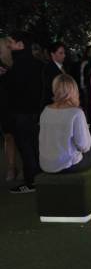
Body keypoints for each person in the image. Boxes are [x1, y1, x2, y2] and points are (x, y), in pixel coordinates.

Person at [7, 31, 43, 194]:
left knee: (26, 147)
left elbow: (12, 90)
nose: (8, 45)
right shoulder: (38, 64)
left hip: (21, 113)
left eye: (11, 42)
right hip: (36, 112)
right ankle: (40, 178)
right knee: (35, 146)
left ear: (21, 44)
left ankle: (32, 181)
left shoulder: (15, 66)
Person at [39, 74, 91, 173]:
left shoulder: (46, 110)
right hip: (66, 166)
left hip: (45, 164)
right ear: (73, 90)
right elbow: (84, 146)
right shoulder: (76, 113)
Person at [0, 37, 18, 181]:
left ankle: (15, 168)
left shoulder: (18, 62)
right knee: (9, 136)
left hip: (18, 105)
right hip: (5, 105)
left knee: (17, 137)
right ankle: (11, 167)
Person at [41, 42, 67, 108]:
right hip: (53, 104)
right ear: (52, 54)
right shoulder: (48, 69)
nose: (64, 55)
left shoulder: (63, 66)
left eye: (64, 53)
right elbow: (50, 89)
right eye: (61, 53)